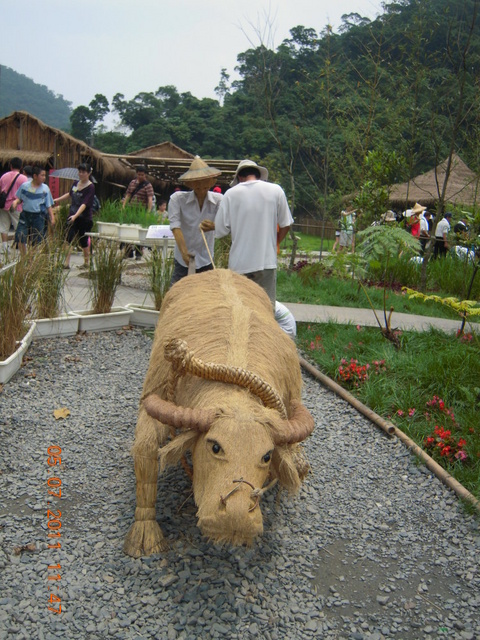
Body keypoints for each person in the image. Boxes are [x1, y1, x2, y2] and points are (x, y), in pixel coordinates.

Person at [201, 159, 293, 306]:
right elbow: (286, 224)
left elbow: (221, 230)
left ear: (240, 177)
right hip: (266, 262)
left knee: (240, 309)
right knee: (265, 308)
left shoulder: (231, 194)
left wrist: (212, 226)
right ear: (258, 175)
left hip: (240, 265)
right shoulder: (276, 190)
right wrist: (275, 243)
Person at [169, 156, 222, 285]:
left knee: (206, 296)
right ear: (190, 183)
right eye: (197, 184)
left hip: (206, 258)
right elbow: (175, 226)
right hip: (183, 259)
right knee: (177, 293)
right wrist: (183, 252)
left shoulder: (219, 200)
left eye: (205, 183)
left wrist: (214, 226)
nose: (201, 187)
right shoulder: (177, 199)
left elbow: (227, 224)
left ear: (211, 182)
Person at [53, 163, 95, 269]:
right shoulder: (75, 183)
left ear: (88, 173)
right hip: (72, 215)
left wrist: (76, 216)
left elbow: (85, 204)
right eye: (79, 172)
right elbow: (70, 194)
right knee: (68, 239)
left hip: (84, 218)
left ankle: (86, 262)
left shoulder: (90, 187)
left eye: (83, 172)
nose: (81, 174)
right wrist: (57, 200)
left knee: (83, 240)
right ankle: (66, 263)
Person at [10, 166, 55, 253]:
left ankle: (31, 259)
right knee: (20, 236)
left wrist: (52, 217)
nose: (44, 177)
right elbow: (20, 198)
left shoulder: (45, 189)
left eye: (45, 175)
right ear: (35, 176)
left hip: (38, 216)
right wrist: (15, 202)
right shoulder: (25, 186)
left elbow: (48, 205)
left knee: (36, 240)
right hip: (25, 215)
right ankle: (24, 259)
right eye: (42, 175)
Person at [122, 166, 154, 259]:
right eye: (139, 174)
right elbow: (128, 195)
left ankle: (139, 253)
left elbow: (150, 199)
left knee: (139, 233)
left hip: (141, 211)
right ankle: (128, 252)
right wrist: (124, 206)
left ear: (145, 175)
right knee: (128, 231)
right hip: (131, 210)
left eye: (142, 175)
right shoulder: (132, 183)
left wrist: (148, 212)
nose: (140, 176)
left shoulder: (148, 185)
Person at [0, 157, 28, 255]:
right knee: (19, 227)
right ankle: (22, 248)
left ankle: (4, 247)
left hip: (4, 205)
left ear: (11, 166)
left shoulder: (4, 176)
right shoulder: (23, 178)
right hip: (17, 206)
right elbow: (26, 193)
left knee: (4, 226)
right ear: (21, 167)